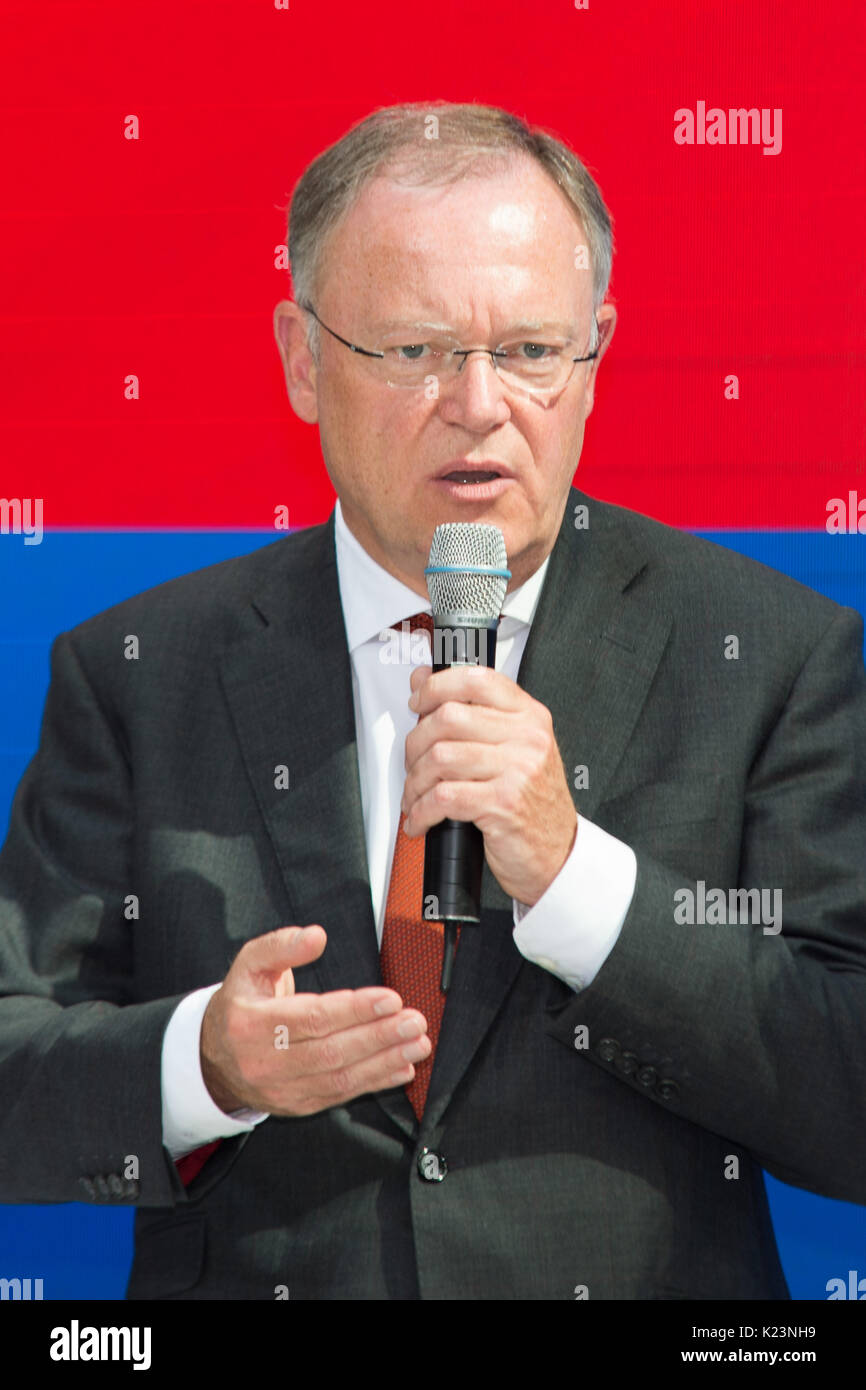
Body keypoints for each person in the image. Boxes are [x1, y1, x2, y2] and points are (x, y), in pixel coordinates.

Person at [1, 101, 864, 1301]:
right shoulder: (140, 670)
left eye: (527, 350)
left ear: (594, 354)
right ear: (303, 359)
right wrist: (203, 1065)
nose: (477, 401)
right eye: (412, 351)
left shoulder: (773, 655)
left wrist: (575, 878)